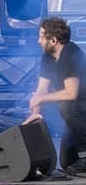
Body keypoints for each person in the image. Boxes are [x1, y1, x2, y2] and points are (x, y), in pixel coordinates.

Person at [26, 16, 86, 173]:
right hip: (77, 113)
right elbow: (42, 90)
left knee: (66, 106)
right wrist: (35, 114)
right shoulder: (48, 57)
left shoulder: (71, 54)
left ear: (53, 40)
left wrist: (40, 98)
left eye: (41, 36)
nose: (38, 41)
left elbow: (71, 93)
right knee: (67, 163)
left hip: (81, 109)